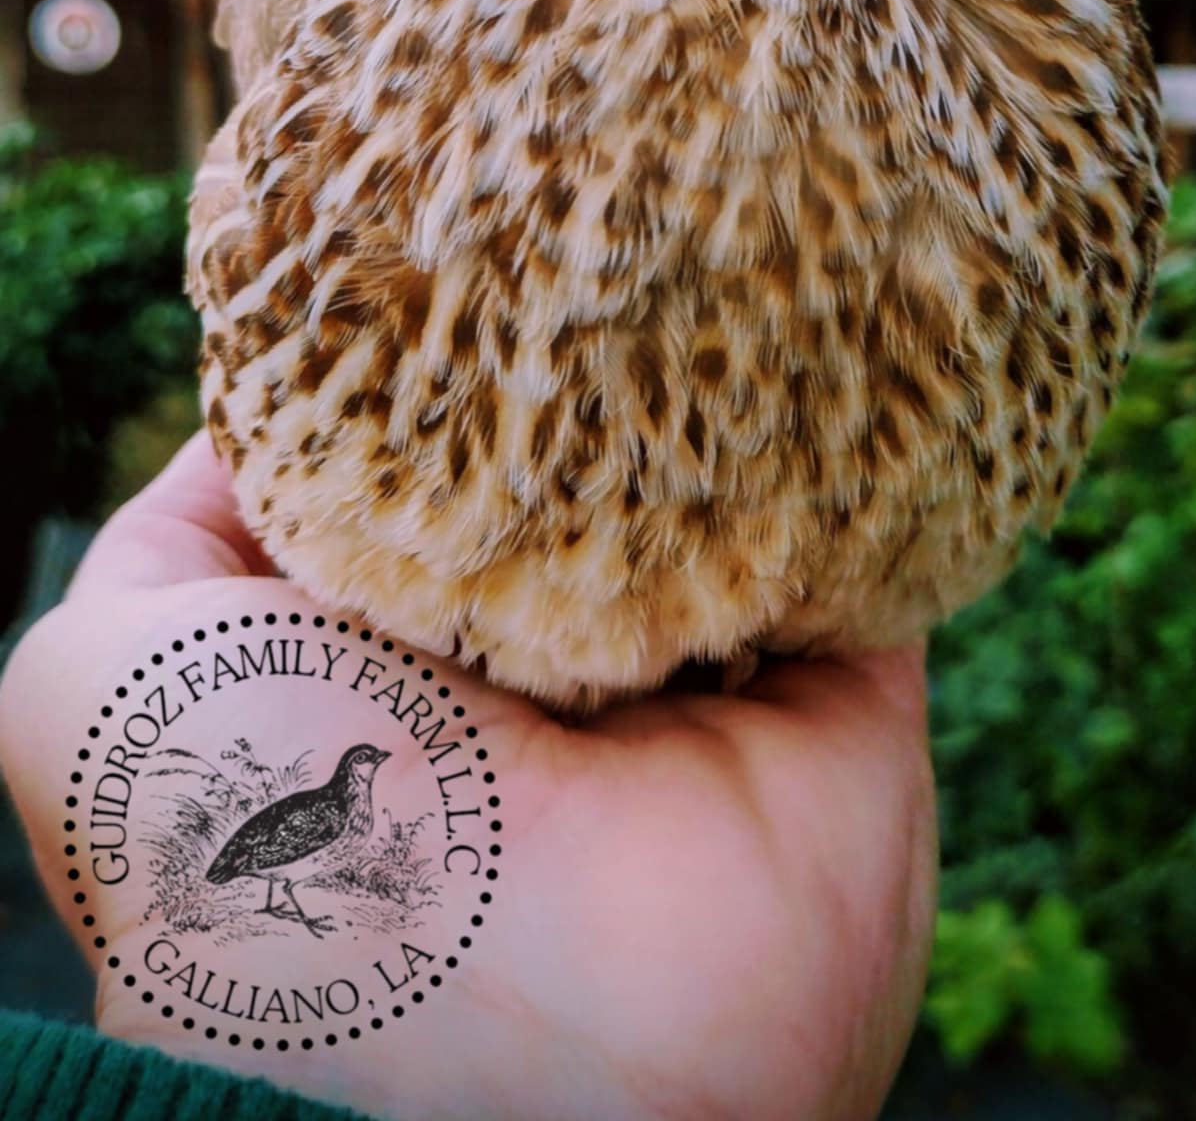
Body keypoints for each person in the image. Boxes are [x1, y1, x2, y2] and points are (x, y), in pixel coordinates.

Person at [0, 431, 937, 1121]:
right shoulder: (327, 805)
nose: (367, 768)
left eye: (365, 761)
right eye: (364, 762)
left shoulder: (340, 804)